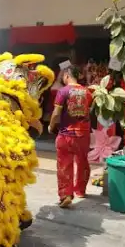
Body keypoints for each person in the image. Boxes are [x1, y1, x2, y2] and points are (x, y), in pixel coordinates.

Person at [48, 65, 92, 208]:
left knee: (64, 164)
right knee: (82, 162)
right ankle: (80, 190)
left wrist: (51, 126)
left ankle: (66, 194)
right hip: (83, 134)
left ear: (67, 75)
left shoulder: (63, 91)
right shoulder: (88, 92)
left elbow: (56, 114)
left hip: (66, 134)